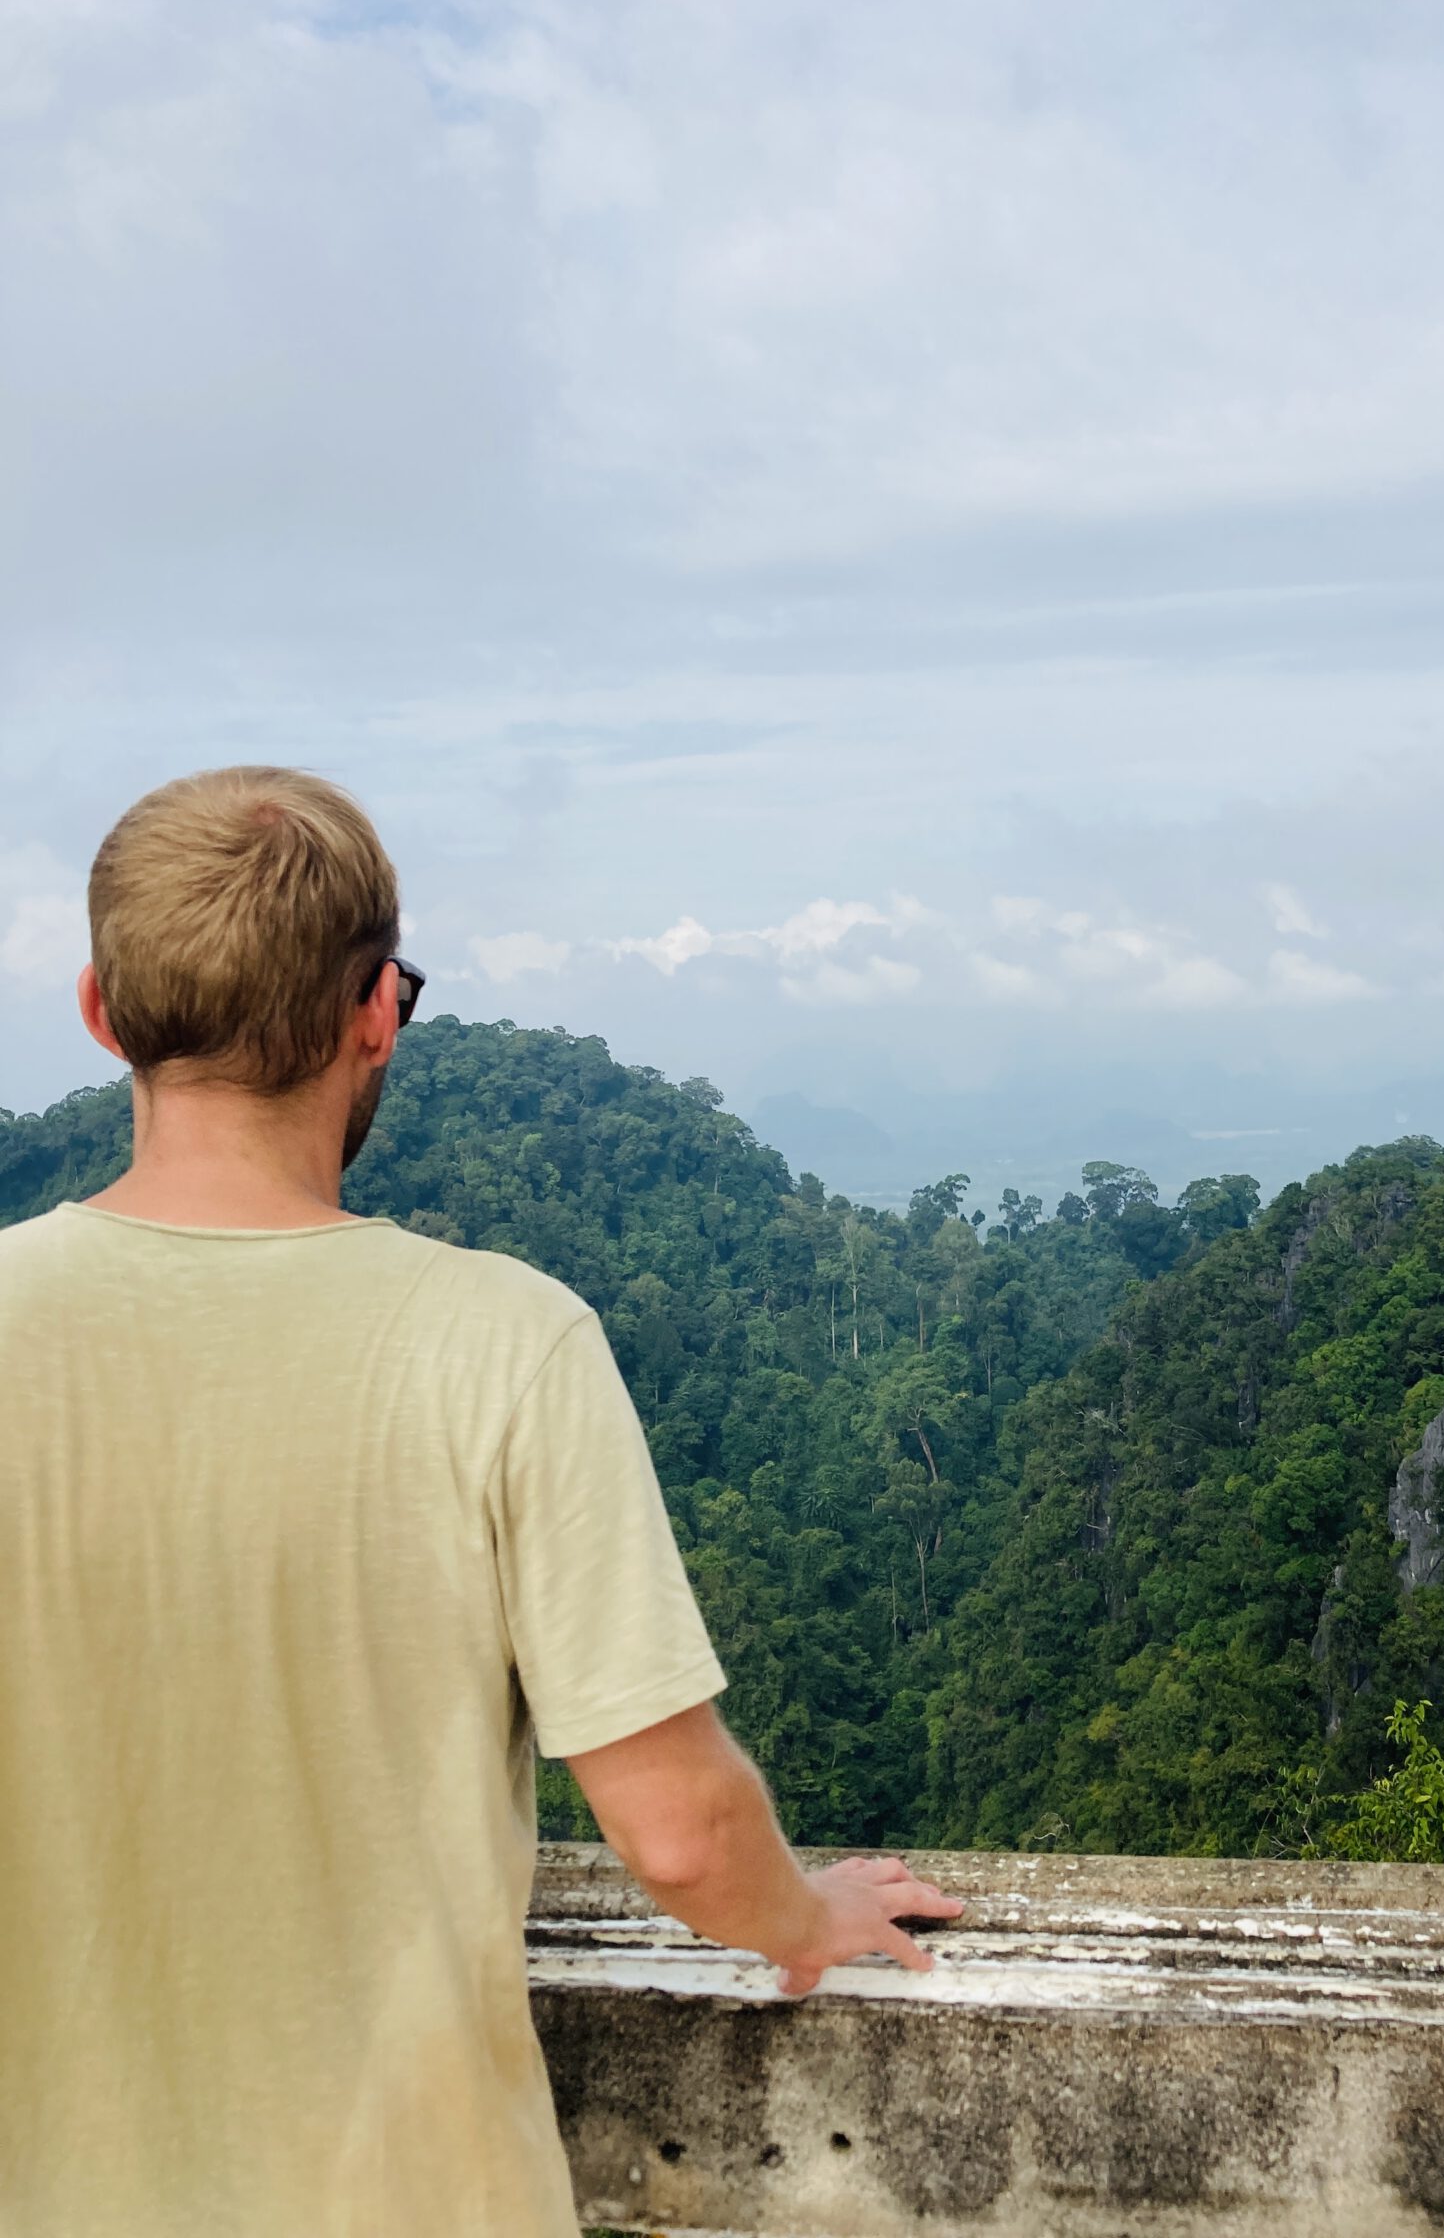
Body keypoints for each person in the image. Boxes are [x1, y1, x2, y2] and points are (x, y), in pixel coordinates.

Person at [0, 765, 961, 2237]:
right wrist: (809, 1916)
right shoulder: (508, 1343)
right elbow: (684, 1835)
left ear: (100, 1010)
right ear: (374, 1010)